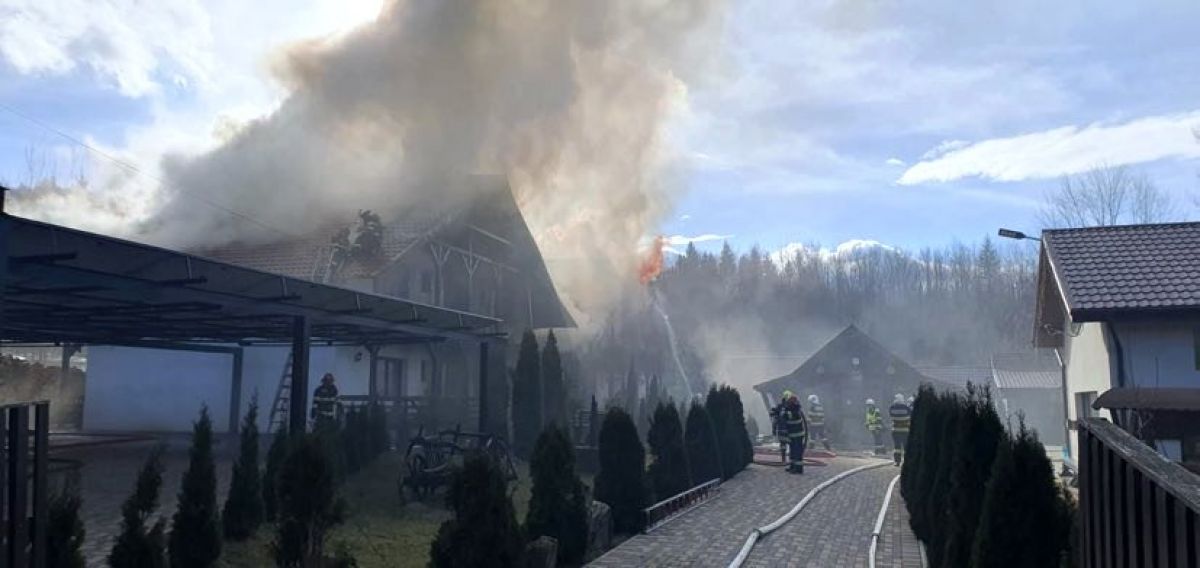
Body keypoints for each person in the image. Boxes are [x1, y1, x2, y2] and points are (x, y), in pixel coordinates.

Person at [782, 392, 809, 473]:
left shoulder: (795, 409)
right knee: (793, 451)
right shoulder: (792, 408)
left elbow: (789, 416)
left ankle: (798, 468)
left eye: (788, 402)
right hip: (793, 435)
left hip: (797, 435)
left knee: (797, 452)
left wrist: (784, 414)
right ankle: (793, 466)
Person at [769, 391, 793, 463]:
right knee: (791, 444)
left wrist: (774, 429)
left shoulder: (779, 406)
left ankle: (784, 460)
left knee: (783, 445)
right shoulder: (792, 407)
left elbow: (774, 418)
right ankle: (791, 460)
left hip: (781, 429)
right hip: (789, 430)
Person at [888, 393, 912, 466]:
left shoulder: (892, 407)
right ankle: (907, 462)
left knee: (897, 447)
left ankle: (897, 461)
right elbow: (910, 417)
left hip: (895, 430)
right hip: (905, 430)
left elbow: (891, 416)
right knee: (906, 447)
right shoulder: (906, 408)